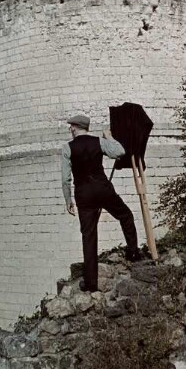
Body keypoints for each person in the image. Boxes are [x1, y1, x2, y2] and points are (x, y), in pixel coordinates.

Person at [61, 114, 138, 292]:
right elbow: (119, 151)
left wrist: (68, 200)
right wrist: (109, 137)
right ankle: (133, 252)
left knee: (88, 235)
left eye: (70, 127)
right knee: (125, 215)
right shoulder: (99, 142)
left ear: (74, 128)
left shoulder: (67, 148)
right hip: (103, 188)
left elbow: (65, 179)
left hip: (83, 194)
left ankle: (90, 283)